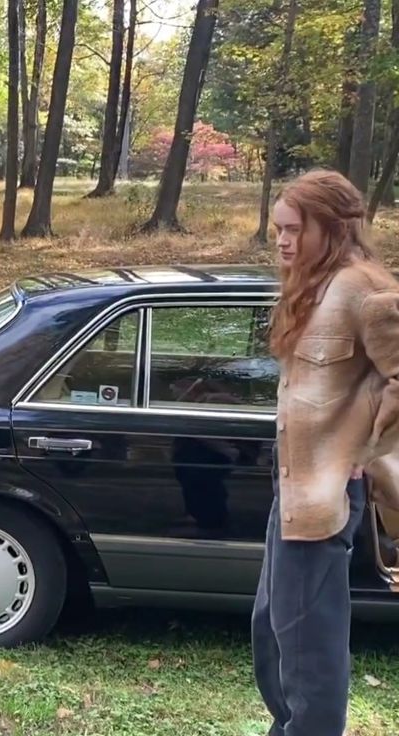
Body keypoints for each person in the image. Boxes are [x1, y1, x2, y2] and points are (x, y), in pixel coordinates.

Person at [252, 169, 399, 736]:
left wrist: (364, 447)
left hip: (329, 490)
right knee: (272, 627)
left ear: (331, 227)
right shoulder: (310, 288)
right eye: (278, 230)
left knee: (309, 640)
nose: (283, 242)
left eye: (294, 229)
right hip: (291, 482)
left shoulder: (365, 290)